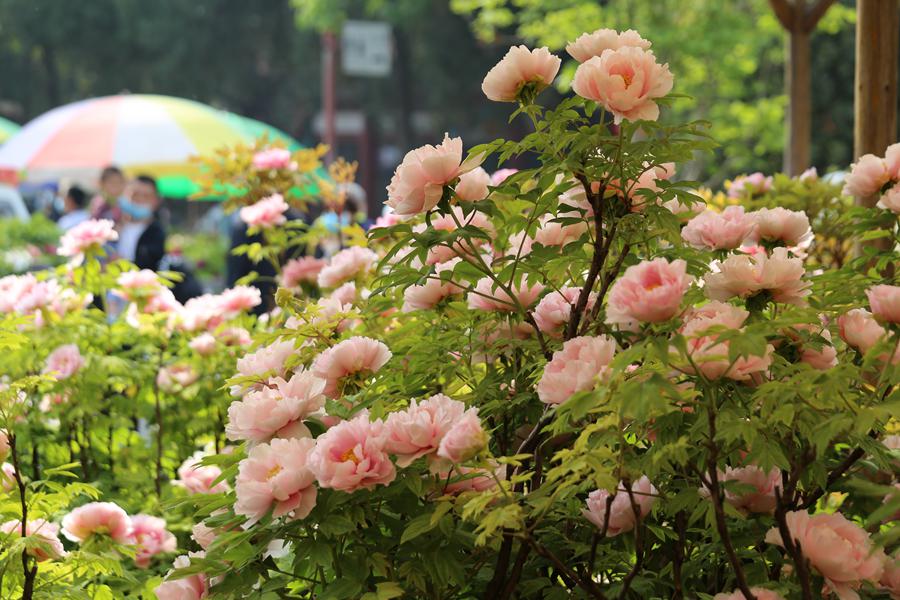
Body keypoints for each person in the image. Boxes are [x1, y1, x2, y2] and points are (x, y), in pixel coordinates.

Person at [117, 175, 166, 271]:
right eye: (135, 194)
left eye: (146, 196)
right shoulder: (112, 225)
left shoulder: (157, 233)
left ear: (156, 201)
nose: (139, 199)